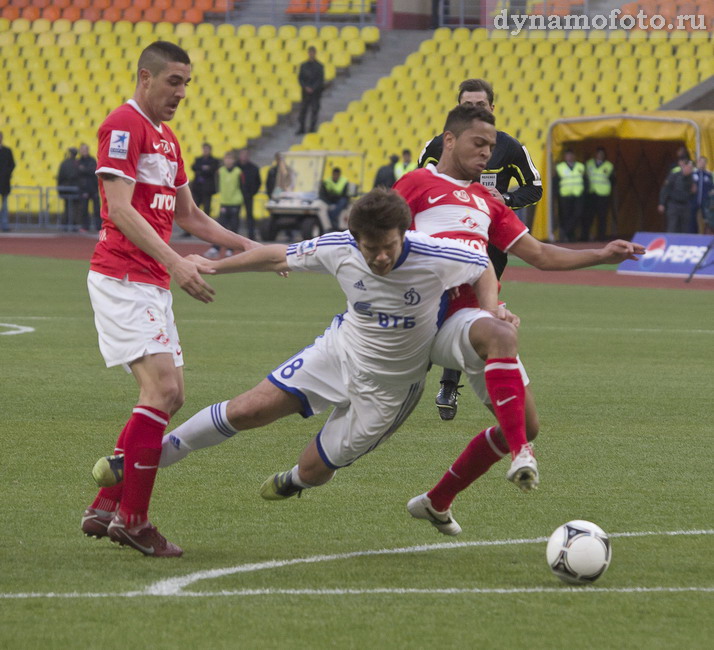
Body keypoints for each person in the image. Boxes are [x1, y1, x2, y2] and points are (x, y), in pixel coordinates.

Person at [93, 188, 542, 520]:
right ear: (356, 240)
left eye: (389, 246)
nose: (381, 257)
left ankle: (294, 482)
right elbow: (277, 256)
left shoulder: (433, 253)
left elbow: (482, 262)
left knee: (313, 468)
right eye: (371, 249)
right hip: (339, 352)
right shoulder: (339, 248)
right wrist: (213, 265)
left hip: (388, 391)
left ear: (404, 234)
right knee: (249, 409)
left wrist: (491, 309)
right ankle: (153, 454)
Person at [394, 103, 643, 535]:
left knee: (526, 422)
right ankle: (521, 455)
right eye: (480, 143)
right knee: (502, 346)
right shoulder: (418, 183)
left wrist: (602, 255)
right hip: (429, 316)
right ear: (450, 139)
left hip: (476, 315)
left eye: (491, 145)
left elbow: (540, 254)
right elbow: (379, 233)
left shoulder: (488, 202)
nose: (487, 153)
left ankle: (436, 501)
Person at [81, 41, 260, 558]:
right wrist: (178, 262)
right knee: (161, 390)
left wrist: (253, 249)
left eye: (187, 83)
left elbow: (191, 217)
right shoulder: (124, 125)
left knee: (170, 394)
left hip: (149, 280)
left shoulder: (167, 139)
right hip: (123, 275)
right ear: (145, 78)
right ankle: (133, 521)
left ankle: (104, 504)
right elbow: (118, 208)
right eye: (173, 81)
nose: (181, 92)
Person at [417, 78, 544, 420]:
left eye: (480, 105)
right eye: (467, 104)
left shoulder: (509, 147)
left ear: (492, 108)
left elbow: (535, 187)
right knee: (437, 304)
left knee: (471, 308)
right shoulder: (437, 144)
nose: (474, 109)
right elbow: (421, 184)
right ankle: (415, 370)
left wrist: (508, 199)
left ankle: (449, 382)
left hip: (490, 240)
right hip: (446, 239)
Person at [205, 151, 244, 259]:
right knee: (220, 226)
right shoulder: (220, 171)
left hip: (235, 202)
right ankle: (215, 248)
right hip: (224, 202)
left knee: (233, 228)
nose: (228, 161)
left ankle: (230, 250)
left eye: (230, 159)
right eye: (227, 159)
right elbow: (216, 184)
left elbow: (242, 186)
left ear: (234, 161)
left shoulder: (238, 172)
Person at [554, 149, 586, 242]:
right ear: (565, 157)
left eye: (571, 155)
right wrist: (556, 194)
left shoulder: (581, 166)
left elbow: (585, 180)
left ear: (574, 156)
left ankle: (565, 232)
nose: (570, 157)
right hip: (565, 195)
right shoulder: (560, 167)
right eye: (568, 155)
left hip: (578, 195)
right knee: (565, 216)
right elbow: (556, 181)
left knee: (577, 214)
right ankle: (570, 237)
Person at [584, 147, 614, 242]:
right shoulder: (589, 164)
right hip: (591, 194)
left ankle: (601, 236)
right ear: (595, 154)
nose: (600, 155)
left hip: (603, 194)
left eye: (602, 154)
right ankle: (586, 236)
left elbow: (613, 180)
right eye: (598, 153)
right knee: (589, 216)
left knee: (602, 216)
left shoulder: (609, 166)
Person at [658, 159, 695, 233]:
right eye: (688, 168)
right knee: (672, 226)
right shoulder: (674, 176)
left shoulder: (691, 179)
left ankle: (683, 243)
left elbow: (691, 192)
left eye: (691, 169)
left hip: (685, 205)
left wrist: (693, 192)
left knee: (685, 227)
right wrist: (661, 203)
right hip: (673, 204)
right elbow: (665, 190)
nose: (690, 170)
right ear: (684, 167)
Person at [296, 46, 324, 135]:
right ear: (308, 53)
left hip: (316, 92)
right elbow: (300, 78)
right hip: (305, 92)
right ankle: (302, 128)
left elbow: (320, 79)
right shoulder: (303, 66)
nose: (311, 54)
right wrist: (305, 87)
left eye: (313, 52)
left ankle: (312, 128)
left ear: (315, 53)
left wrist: (313, 88)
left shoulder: (320, 66)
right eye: (310, 52)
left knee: (314, 110)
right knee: (303, 110)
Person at [236, 148, 261, 240]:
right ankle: (234, 235)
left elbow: (258, 182)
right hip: (235, 196)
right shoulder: (235, 167)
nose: (244, 157)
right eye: (242, 154)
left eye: (246, 155)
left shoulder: (254, 168)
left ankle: (251, 235)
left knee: (249, 215)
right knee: (235, 216)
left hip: (248, 195)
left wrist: (252, 193)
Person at [191, 143, 220, 217]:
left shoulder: (214, 160)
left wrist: (201, 169)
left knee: (207, 209)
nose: (205, 151)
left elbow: (211, 170)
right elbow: (194, 167)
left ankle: (205, 226)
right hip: (197, 189)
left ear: (210, 150)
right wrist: (205, 168)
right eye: (204, 149)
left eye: (207, 149)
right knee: (195, 208)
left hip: (207, 190)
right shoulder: (198, 159)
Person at [77, 143, 100, 232]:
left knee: (97, 210)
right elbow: (78, 172)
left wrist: (84, 169)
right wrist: (87, 170)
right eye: (82, 149)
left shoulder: (92, 160)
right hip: (83, 189)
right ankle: (85, 226)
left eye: (85, 149)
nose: (84, 151)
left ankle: (98, 226)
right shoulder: (79, 161)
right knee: (84, 210)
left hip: (93, 189)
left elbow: (93, 171)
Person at [57, 146, 80, 231]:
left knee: (67, 207)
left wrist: (59, 190)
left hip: (66, 188)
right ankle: (74, 225)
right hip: (75, 188)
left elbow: (60, 177)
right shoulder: (78, 163)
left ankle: (65, 225)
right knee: (75, 208)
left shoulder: (64, 163)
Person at [690, 156, 713, 234]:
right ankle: (693, 236)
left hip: (705, 202)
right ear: (697, 163)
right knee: (692, 220)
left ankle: (706, 237)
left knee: (707, 220)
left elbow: (711, 187)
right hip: (693, 201)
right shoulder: (692, 174)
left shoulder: (708, 175)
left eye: (704, 162)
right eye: (700, 162)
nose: (702, 164)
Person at [0, 131, 15, 232]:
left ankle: (4, 225)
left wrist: (6, 174)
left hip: (4, 183)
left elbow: (12, 164)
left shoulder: (7, 151)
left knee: (4, 205)